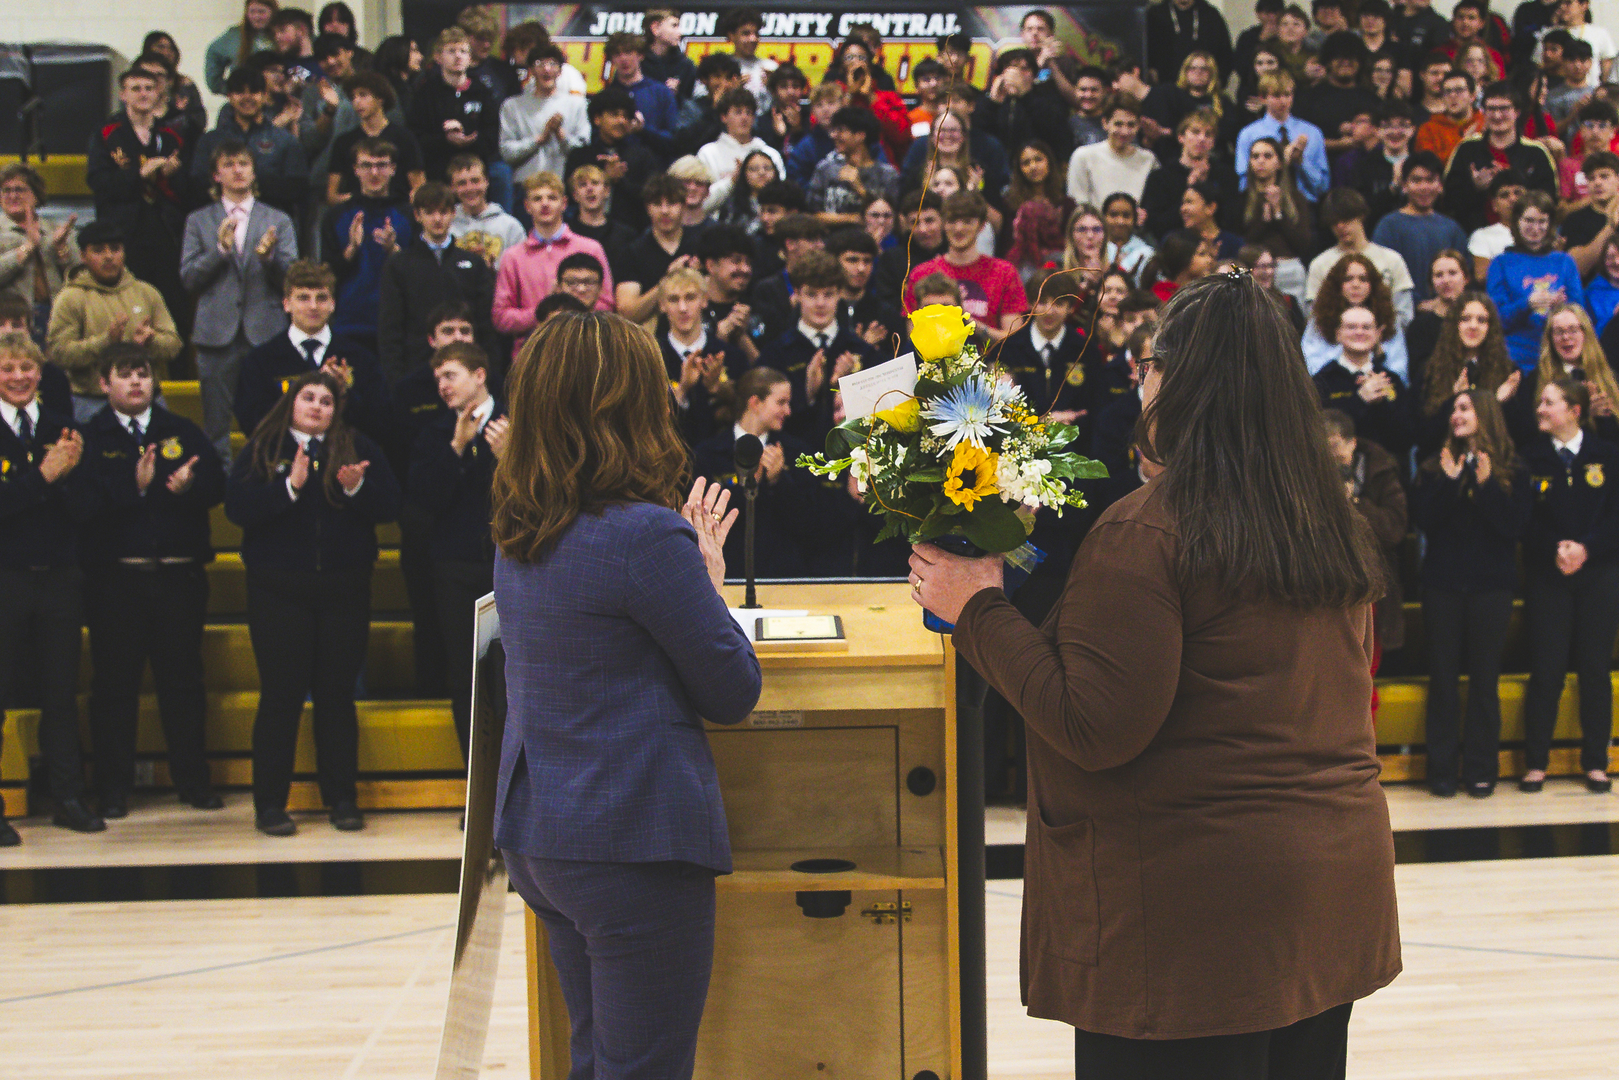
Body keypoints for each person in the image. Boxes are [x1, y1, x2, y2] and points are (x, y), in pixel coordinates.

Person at [908, 271, 1399, 1072]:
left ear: (1176, 383)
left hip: (1193, 917)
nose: (1141, 381)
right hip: (1328, 890)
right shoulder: (1326, 519)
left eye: (1149, 365)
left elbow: (1093, 725)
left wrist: (977, 610)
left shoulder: (1147, 529)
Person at [490, 310, 759, 1078]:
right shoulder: (644, 536)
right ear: (632, 405)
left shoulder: (520, 526)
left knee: (596, 1059)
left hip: (543, 831)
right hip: (630, 838)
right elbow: (732, 690)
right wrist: (710, 582)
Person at [227, 370, 401, 835]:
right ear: (292, 403)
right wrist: (288, 487)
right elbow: (237, 508)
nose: (318, 406)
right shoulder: (263, 447)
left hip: (344, 591)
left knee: (336, 697)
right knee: (280, 697)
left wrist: (356, 488)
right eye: (309, 397)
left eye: (327, 400)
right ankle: (270, 805)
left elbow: (390, 506)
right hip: (278, 592)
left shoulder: (359, 447)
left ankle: (342, 800)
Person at [82, 344, 227, 818]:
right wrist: (134, 487)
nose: (135, 382)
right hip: (116, 581)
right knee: (114, 687)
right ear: (104, 383)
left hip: (179, 577)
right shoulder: (90, 436)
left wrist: (190, 487)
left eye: (143, 374)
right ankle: (112, 788)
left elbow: (218, 487)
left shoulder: (182, 431)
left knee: (183, 682)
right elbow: (80, 505)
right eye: (124, 374)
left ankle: (193, 781)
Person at [0, 332, 102, 839]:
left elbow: (88, 509)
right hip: (6, 579)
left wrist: (66, 476)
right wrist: (43, 477)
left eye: (26, 368)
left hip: (60, 578)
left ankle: (68, 797)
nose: (18, 377)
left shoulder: (65, 429)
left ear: (40, 374)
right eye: (7, 369)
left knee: (61, 693)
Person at [1411, 386, 1530, 796]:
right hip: (1442, 586)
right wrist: (1448, 483)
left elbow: (1514, 528)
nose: (1455, 415)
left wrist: (1486, 486)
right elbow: (1424, 521)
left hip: (1490, 588)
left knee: (1484, 681)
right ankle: (1441, 770)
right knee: (1443, 680)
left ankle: (1481, 769)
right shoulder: (1434, 465)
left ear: (1485, 414)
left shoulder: (1513, 469)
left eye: (1464, 408)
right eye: (1453, 409)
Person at [1519, 376, 1619, 794]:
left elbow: (1615, 516)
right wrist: (1556, 549)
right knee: (1547, 670)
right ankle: (1536, 762)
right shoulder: (1530, 458)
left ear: (1574, 411)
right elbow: (1523, 519)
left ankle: (1596, 761)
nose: (1540, 409)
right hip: (1549, 574)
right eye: (1540, 402)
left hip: (1599, 574)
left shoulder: (1606, 454)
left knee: (1595, 670)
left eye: (1549, 402)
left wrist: (1587, 549)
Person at [409, 342, 507, 759]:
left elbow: (541, 492)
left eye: (450, 375)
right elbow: (424, 503)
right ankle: (475, 780)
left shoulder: (517, 423)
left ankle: (518, 781)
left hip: (511, 564)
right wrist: (455, 449)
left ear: (479, 375)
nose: (442, 386)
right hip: (455, 567)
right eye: (438, 379)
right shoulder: (434, 433)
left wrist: (510, 458)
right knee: (465, 675)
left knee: (515, 673)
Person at [181, 141, 300, 460]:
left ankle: (271, 479)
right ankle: (220, 484)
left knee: (272, 424)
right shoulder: (198, 220)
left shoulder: (278, 219)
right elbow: (189, 278)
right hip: (216, 335)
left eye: (244, 164)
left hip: (266, 331)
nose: (237, 170)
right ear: (216, 174)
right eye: (229, 164)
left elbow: (293, 279)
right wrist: (219, 252)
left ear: (254, 171)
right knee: (216, 429)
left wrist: (269, 259)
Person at [235, 259, 390, 441]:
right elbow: (252, 423)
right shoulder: (260, 361)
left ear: (333, 304)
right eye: (303, 298)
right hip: (283, 454)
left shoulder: (361, 358)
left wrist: (343, 394)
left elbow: (379, 423)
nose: (313, 306)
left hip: (345, 454)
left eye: (321, 298)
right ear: (286, 304)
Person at [46, 222, 183, 423]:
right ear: (83, 256)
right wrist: (106, 342)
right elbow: (59, 354)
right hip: (92, 402)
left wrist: (151, 341)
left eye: (115, 249)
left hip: (148, 400)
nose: (109, 256)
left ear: (124, 253)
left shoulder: (147, 292)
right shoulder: (70, 298)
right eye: (98, 251)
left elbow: (174, 345)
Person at [88, 68, 188, 340]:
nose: (143, 94)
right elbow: (98, 182)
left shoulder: (171, 135)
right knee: (127, 310)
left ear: (158, 93)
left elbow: (188, 191)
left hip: (166, 234)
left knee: (171, 310)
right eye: (136, 88)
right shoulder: (107, 134)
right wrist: (139, 174)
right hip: (125, 235)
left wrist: (170, 176)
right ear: (123, 94)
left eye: (148, 88)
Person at [691, 365, 817, 577]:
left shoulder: (797, 452)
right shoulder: (708, 453)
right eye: (781, 402)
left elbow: (809, 522)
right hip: (727, 572)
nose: (788, 411)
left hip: (783, 575)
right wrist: (750, 483)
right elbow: (702, 521)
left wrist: (779, 480)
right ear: (755, 403)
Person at [377, 181, 496, 386]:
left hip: (467, 371)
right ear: (417, 215)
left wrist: (488, 374)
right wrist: (396, 380)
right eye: (430, 212)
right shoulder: (398, 265)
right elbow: (390, 327)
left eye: (443, 212)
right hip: (416, 369)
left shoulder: (474, 264)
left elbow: (485, 325)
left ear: (453, 214)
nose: (437, 219)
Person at [493, 173, 615, 362]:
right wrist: (545, 312)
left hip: (585, 350)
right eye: (537, 199)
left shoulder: (591, 248)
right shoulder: (513, 256)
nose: (544, 204)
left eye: (552, 198)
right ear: (527, 206)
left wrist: (570, 312)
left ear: (564, 203)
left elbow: (607, 303)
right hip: (531, 355)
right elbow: (501, 317)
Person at [1321, 407, 1408, 665]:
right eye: (1322, 450)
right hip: (1324, 585)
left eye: (1335, 447)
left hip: (1372, 585)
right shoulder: (1305, 477)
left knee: (1365, 665)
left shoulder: (1380, 471)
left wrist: (1354, 503)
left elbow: (1394, 529)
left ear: (1353, 443)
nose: (1331, 457)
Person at [768, 249, 876, 443]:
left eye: (828, 294)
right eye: (811, 294)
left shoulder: (861, 350)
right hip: (793, 456)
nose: (820, 303)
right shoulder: (776, 354)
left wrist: (848, 387)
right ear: (797, 294)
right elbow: (768, 422)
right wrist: (807, 393)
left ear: (840, 294)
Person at [320, 137, 414, 352]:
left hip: (399, 325)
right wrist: (351, 249)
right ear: (355, 170)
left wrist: (394, 251)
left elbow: (419, 274)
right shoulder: (336, 216)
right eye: (366, 165)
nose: (374, 173)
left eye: (381, 165)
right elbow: (326, 274)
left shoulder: (410, 215)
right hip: (349, 323)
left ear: (393, 169)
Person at [903, 192, 1030, 342]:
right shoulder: (921, 274)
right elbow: (913, 338)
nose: (959, 228)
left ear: (982, 225)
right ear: (943, 224)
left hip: (989, 356)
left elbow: (1013, 341)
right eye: (952, 221)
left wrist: (968, 322)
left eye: (967, 222)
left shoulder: (1004, 272)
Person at [193, 65, 311, 217]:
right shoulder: (210, 140)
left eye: (254, 92)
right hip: (221, 219)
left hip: (271, 220)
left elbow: (297, 187)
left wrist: (245, 184)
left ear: (264, 95)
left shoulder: (285, 140)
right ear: (229, 96)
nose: (247, 97)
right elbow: (198, 184)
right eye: (240, 92)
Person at [410, 29, 506, 212]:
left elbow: (493, 134)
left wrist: (472, 140)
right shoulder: (426, 93)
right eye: (451, 51)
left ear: (470, 58)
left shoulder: (482, 92)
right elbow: (416, 136)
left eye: (463, 51)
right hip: (438, 171)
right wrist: (445, 139)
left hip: (475, 169)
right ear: (438, 57)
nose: (458, 56)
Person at [1443, 82, 1559, 233]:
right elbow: (1448, 201)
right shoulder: (1467, 149)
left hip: (1527, 235)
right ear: (1484, 112)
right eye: (1491, 109)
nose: (1497, 116)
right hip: (1475, 233)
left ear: (1517, 112)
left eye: (1504, 109)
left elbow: (1549, 202)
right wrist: (1474, 187)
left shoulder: (1536, 153)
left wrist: (1518, 184)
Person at [1487, 191, 1584, 370]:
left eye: (1542, 221)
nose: (1535, 228)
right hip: (1514, 357)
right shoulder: (1501, 263)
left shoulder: (1564, 261)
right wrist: (1528, 304)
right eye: (1529, 220)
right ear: (1517, 221)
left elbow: (1580, 314)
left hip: (1557, 355)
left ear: (1550, 224)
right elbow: (1496, 320)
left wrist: (1560, 308)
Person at [1418, 289, 1522, 453]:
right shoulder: (1430, 371)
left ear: (1490, 328)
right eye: (1465, 319)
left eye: (1481, 320)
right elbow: (1423, 438)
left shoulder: (1508, 372)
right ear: (1454, 325)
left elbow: (1520, 437)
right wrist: (1452, 402)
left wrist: (1497, 404)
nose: (1473, 326)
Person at [1313, 299, 1415, 461]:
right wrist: (1360, 400)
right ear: (1338, 334)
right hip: (1336, 468)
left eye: (1366, 327)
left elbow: (1405, 440)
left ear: (1378, 334)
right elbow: (1318, 433)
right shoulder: (1322, 380)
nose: (1359, 332)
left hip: (1385, 471)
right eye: (1351, 327)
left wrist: (1382, 404)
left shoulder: (1392, 380)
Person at [1305, 188, 1416, 325]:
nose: (1340, 226)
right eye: (1334, 222)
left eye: (1346, 219)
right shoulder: (1320, 264)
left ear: (1361, 215)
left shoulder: (1392, 260)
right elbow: (1313, 316)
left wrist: (1375, 333)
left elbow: (1404, 313)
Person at [1371, 152, 1470, 301]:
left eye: (1430, 180)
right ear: (1404, 185)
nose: (1424, 187)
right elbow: (1381, 276)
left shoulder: (1452, 228)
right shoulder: (1388, 226)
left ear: (1440, 185)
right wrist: (1417, 303)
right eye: (1416, 180)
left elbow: (1466, 273)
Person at [1306, 252, 1414, 381]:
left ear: (1372, 284)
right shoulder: (1320, 320)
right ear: (1337, 284)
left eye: (1363, 279)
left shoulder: (1388, 319)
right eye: (1348, 279)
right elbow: (1311, 365)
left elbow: (1399, 369)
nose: (1355, 285)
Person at [0, 164, 79, 337]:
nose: (12, 195)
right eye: (6, 190)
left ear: (35, 195)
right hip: (11, 324)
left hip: (58, 320)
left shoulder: (58, 230)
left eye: (19, 189)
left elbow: (80, 279)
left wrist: (61, 250)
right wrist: (27, 247)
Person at [564, 88, 659, 231]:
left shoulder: (642, 156)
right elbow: (569, 196)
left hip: (629, 233)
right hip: (583, 230)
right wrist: (605, 177)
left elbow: (651, 197)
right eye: (614, 115)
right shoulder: (580, 156)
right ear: (597, 119)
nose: (621, 121)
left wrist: (620, 180)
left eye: (626, 116)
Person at [325, 71, 426, 207]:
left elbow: (419, 189)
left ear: (380, 98)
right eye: (353, 97)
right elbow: (331, 196)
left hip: (397, 210)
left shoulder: (404, 138)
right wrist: (357, 199)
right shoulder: (344, 141)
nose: (357, 102)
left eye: (363, 95)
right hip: (357, 210)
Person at [500, 44, 589, 189]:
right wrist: (539, 139)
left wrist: (560, 135)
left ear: (560, 71)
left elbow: (584, 152)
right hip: (525, 187)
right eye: (539, 63)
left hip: (565, 186)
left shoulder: (577, 105)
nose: (546, 69)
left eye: (553, 63)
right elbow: (507, 153)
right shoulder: (512, 106)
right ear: (531, 70)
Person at [1238, 138, 1313, 305]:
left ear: (1279, 163)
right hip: (1254, 270)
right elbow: (1244, 243)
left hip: (1288, 269)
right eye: (1255, 156)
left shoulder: (1296, 198)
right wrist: (1264, 219)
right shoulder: (1242, 200)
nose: (1261, 161)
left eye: (1267, 156)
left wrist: (1278, 212)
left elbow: (1302, 243)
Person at [1235, 71, 1331, 201]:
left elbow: (1323, 187)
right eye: (1276, 96)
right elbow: (1244, 185)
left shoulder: (1312, 133)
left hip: (1305, 204)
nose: (1283, 101)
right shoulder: (1249, 134)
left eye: (1287, 95)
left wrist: (1301, 162)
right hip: (1263, 203)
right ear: (1263, 98)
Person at [1537, 303, 1619, 444]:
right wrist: (1586, 417)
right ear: (1550, 339)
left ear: (1585, 333)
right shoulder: (1537, 380)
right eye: (1559, 332)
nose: (1566, 337)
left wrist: (1602, 419)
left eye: (1573, 330)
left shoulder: (1611, 378)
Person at [808, 106, 900, 222]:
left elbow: (891, 217)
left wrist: (860, 188)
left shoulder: (887, 174)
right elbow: (812, 215)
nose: (833, 135)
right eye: (834, 130)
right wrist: (852, 219)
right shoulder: (825, 169)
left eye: (841, 130)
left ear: (860, 135)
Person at [1067, 98, 1157, 209]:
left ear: (1138, 126)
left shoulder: (1149, 159)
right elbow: (1077, 202)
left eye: (1131, 125)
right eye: (1118, 124)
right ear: (1105, 123)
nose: (1124, 132)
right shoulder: (1083, 156)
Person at [603, 31, 678, 158]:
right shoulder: (606, 97)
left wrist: (643, 130)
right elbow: (597, 139)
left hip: (655, 164)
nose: (623, 59)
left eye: (628, 52)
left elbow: (673, 140)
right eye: (617, 54)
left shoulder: (661, 93)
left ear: (641, 55)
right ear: (611, 59)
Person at [448, 154, 527, 269]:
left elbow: (522, 271)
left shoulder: (511, 227)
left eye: (475, 181)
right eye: (462, 183)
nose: (470, 188)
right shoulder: (446, 226)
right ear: (452, 187)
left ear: (486, 181)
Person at [1148, 0, 1236, 86]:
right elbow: (1146, 52)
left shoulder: (1210, 15)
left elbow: (1225, 55)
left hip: (1203, 88)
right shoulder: (1155, 15)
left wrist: (1217, 81)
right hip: (1164, 86)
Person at [1560, 151, 1619, 279]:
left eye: (1604, 176)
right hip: (1590, 288)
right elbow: (1577, 267)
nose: (1597, 182)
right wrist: (1610, 227)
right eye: (1591, 178)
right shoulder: (1575, 219)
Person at [205, 0, 277, 95]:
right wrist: (226, 88)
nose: (256, 17)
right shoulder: (235, 36)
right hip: (244, 98)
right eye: (252, 11)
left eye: (261, 12)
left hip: (276, 98)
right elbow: (214, 53)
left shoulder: (281, 35)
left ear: (273, 12)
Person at [1466, 170, 1528, 279]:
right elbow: (1482, 276)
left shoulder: (1541, 232)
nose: (1512, 199)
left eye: (1517, 193)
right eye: (1504, 195)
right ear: (1494, 205)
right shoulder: (1482, 236)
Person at [1415, 70, 1484, 165]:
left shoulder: (1485, 124)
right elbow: (1430, 167)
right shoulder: (1428, 130)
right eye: (1447, 91)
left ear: (1472, 96)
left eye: (1459, 90)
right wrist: (1463, 144)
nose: (1452, 95)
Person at [1178, 180, 1244, 261]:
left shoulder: (1234, 245)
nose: (1183, 209)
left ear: (1211, 208)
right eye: (1182, 203)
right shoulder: (1177, 242)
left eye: (1189, 202)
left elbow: (1238, 268)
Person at [1145, 232, 1215, 302]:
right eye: (1202, 254)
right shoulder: (1163, 296)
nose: (1209, 260)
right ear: (1184, 259)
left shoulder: (1201, 290)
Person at [643, 8, 697, 99]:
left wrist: (676, 94)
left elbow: (688, 102)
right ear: (655, 28)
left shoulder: (685, 66)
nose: (679, 32)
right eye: (674, 26)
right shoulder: (638, 62)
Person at [1587, 236, 1619, 338]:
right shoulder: (1592, 293)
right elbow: (1589, 335)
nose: (1617, 262)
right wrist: (1614, 318)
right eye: (1611, 257)